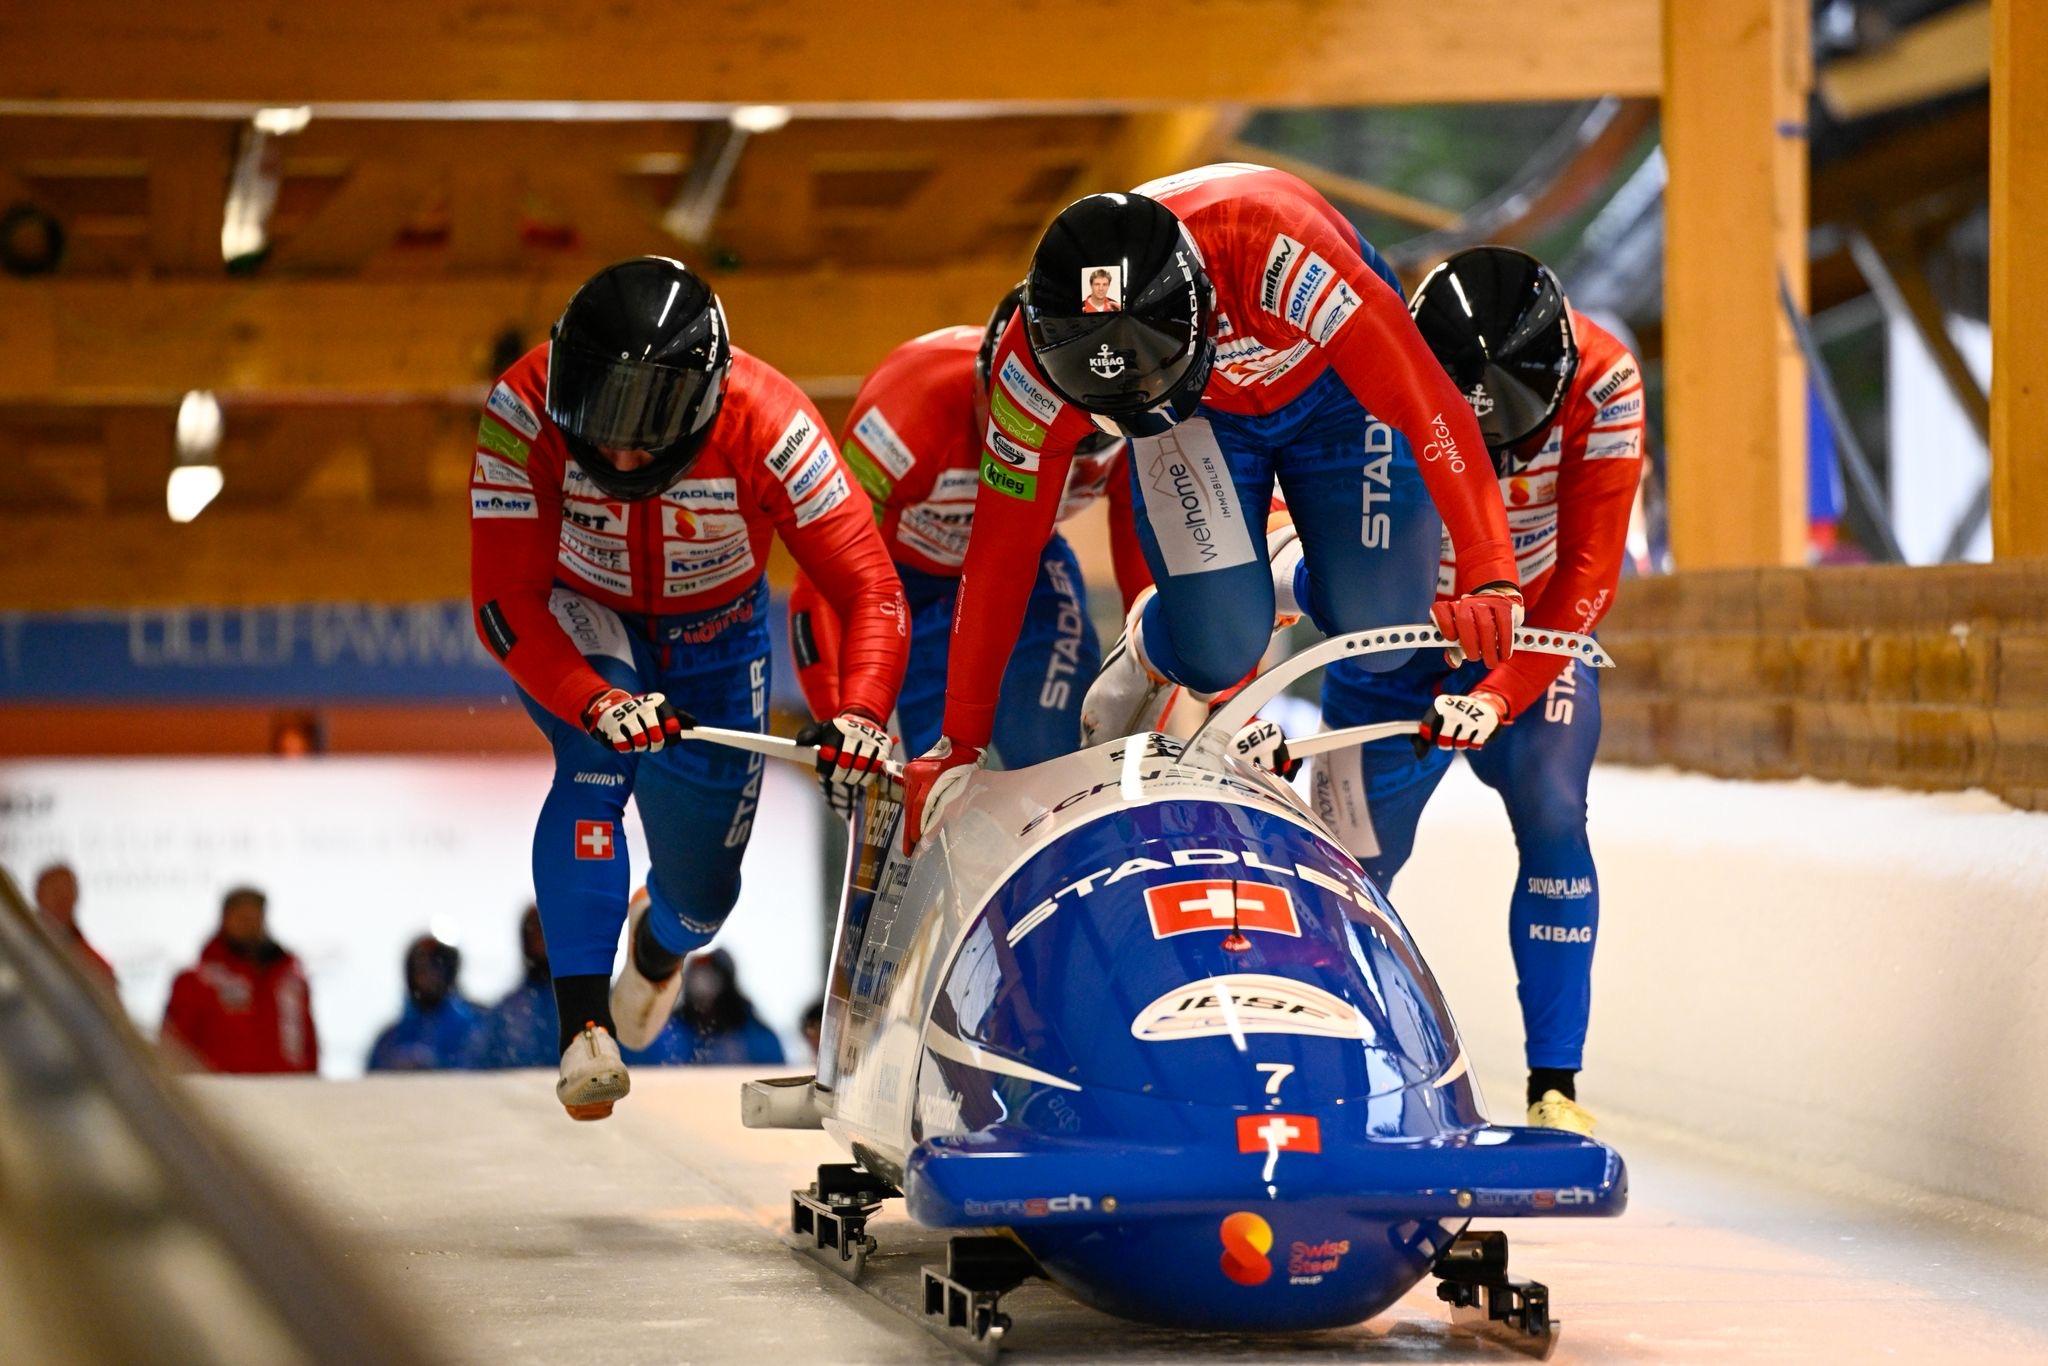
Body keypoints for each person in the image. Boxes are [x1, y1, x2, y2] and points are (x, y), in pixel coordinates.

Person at [901, 164, 1523, 846]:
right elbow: (1000, 552)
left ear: (1203, 307)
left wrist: (1491, 567)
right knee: (1218, 650)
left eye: (1149, 380)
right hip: (1199, 423)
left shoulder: (1277, 253)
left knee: (1380, 638)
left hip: (1338, 395)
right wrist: (956, 742)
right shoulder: (1029, 364)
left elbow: (1428, 403)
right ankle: (1156, 643)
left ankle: (1283, 568)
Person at [469, 256, 908, 1121]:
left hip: (716, 641)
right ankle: (583, 1029)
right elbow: (504, 601)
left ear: (707, 404)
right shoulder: (521, 411)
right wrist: (596, 700)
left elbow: (872, 589)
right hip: (581, 613)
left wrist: (858, 712)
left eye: (649, 428)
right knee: (595, 762)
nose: (621, 451)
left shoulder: (774, 425)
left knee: (702, 900)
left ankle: (659, 950)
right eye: (598, 423)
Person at [1297, 247, 1646, 1137]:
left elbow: (1591, 572)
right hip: (1397, 646)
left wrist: (1501, 691)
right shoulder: (1375, 368)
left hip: (1528, 634)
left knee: (1554, 808)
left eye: (1517, 438)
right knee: (1352, 864)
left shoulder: (1606, 383)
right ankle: (1338, 1070)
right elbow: (1320, 524)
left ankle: (1554, 1082)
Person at [788, 288, 1150, 772]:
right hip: (905, 592)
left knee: (1053, 756)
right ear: (987, 389)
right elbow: (825, 576)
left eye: (1081, 446)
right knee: (930, 774)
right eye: (1032, 428)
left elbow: (1144, 578)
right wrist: (839, 717)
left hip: (1029, 573)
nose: (1048, 454)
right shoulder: (907, 410)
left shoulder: (1131, 425)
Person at [161, 887, 318, 1074]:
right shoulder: (196, 981)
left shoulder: (291, 982)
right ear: (225, 919)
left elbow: (308, 1045)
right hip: (219, 1093)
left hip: (287, 1090)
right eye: (242, 918)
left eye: (255, 917)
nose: (249, 925)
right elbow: (175, 1048)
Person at [635, 950, 786, 1066]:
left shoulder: (756, 1037)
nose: (703, 985)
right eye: (696, 976)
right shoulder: (668, 1034)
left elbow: (775, 1081)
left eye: (712, 975)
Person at [367, 935, 490, 1071]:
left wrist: (438, 1067)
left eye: (436, 966)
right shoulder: (390, 1040)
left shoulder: (478, 1027)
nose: (428, 975)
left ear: (450, 971)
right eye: (420, 967)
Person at [478, 905, 558, 1068]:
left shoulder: (590, 1000)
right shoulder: (507, 1009)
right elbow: (480, 1063)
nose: (540, 937)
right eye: (534, 929)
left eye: (545, 927)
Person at [32, 862, 115, 985]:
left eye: (67, 893)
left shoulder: (95, 965)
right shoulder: (19, 943)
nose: (61, 901)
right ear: (38, 894)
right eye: (55, 892)